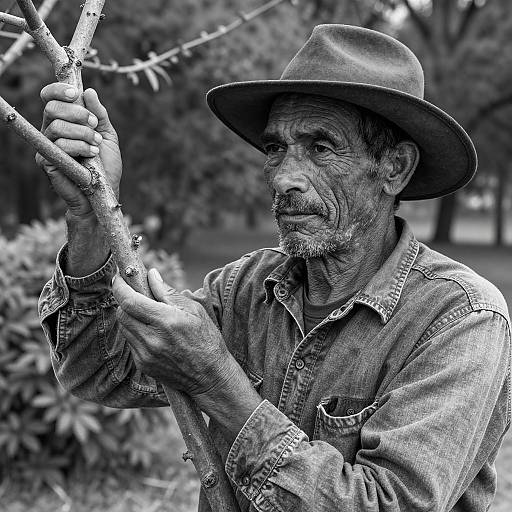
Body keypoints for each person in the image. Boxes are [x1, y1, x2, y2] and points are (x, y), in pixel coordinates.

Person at [38, 25, 510, 512]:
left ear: (395, 168)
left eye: (321, 148)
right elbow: (98, 369)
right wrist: (91, 214)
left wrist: (216, 381)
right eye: (275, 148)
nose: (284, 178)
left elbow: (390, 505)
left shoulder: (460, 319)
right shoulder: (244, 289)